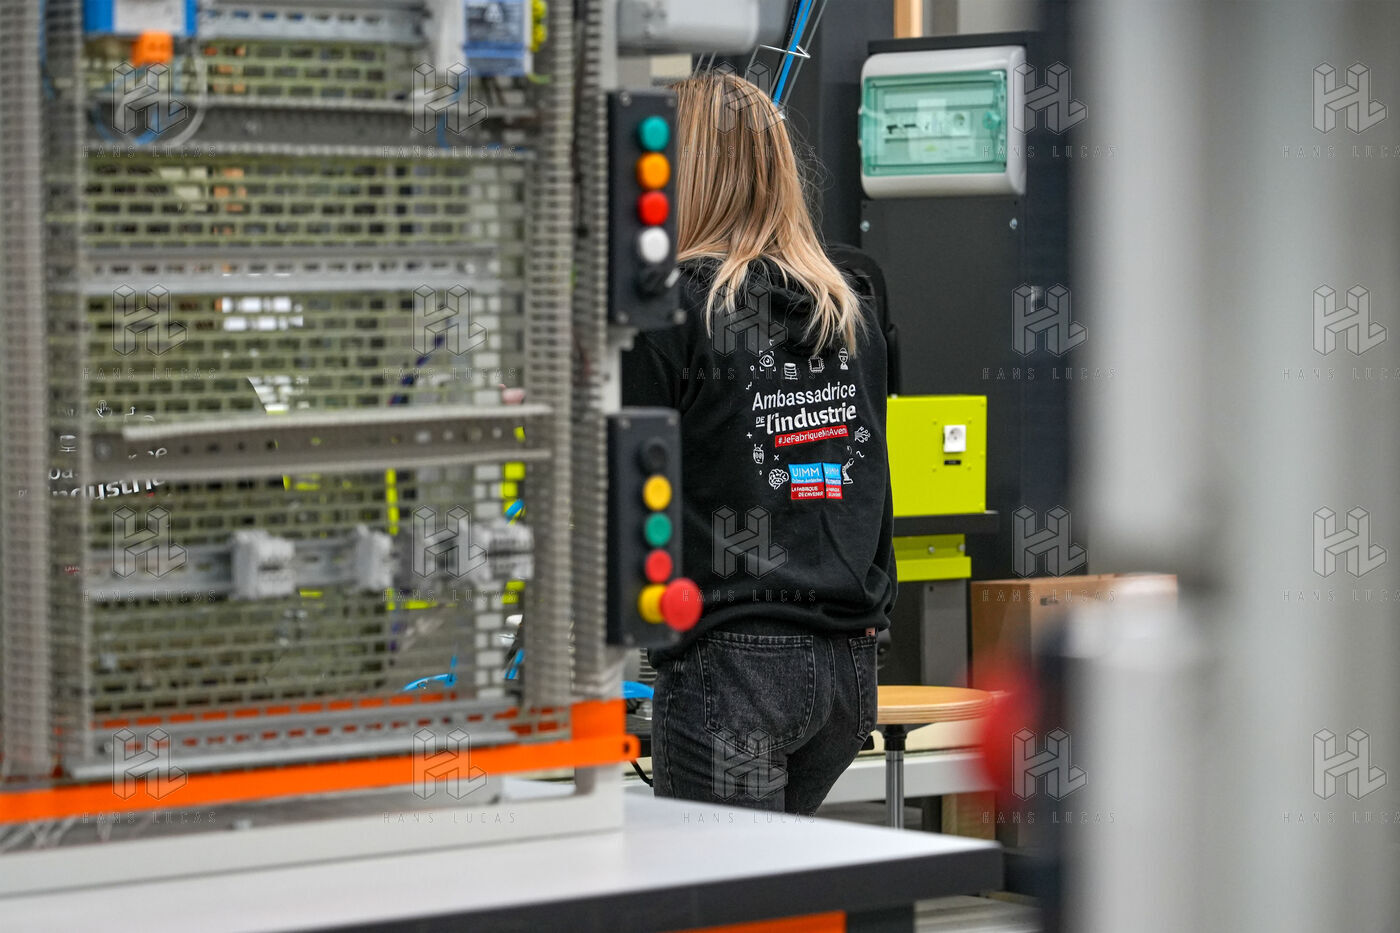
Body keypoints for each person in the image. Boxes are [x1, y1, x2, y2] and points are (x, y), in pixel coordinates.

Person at [622, 72, 896, 815]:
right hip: (848, 664)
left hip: (733, 660)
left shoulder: (672, 307)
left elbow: (618, 480)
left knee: (719, 881)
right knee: (774, 875)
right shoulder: (848, 306)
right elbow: (875, 474)